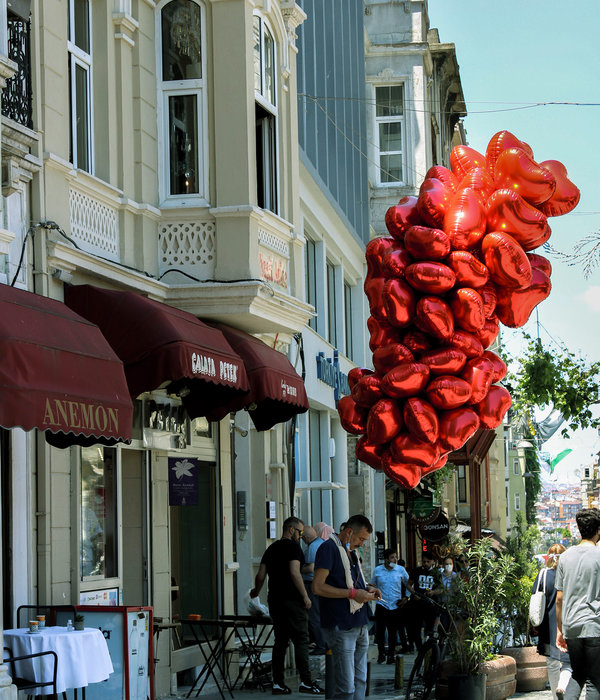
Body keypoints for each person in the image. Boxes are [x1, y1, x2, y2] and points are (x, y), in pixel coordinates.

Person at [250, 516, 325, 695]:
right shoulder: (293, 548)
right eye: (299, 532)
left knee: (280, 641)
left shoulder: (271, 548)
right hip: (292, 600)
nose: (300, 536)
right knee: (301, 640)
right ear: (291, 530)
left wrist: (255, 591)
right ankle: (306, 682)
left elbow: (261, 575)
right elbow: (294, 572)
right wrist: (305, 596)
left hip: (275, 600)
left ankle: (278, 683)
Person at [312, 514, 382, 700]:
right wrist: (353, 594)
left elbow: (353, 583)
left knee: (360, 681)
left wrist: (368, 589)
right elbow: (318, 586)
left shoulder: (352, 552)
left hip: (360, 622)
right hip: (341, 624)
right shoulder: (328, 548)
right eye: (360, 539)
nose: (362, 544)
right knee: (346, 687)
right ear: (349, 532)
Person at [555, 507, 600, 699]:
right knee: (594, 679)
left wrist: (560, 630)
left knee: (577, 674)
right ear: (598, 529)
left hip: (571, 625)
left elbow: (559, 598)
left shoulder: (565, 557)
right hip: (594, 624)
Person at [533, 544, 572, 700]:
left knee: (551, 663)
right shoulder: (568, 575)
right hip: (566, 623)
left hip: (547, 626)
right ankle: (563, 687)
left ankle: (556, 696)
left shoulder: (542, 574)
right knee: (568, 663)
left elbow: (534, 598)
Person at [369, 548, 410, 663]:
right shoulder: (378, 570)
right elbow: (373, 583)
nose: (395, 559)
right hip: (381, 604)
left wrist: (406, 597)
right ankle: (381, 654)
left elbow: (409, 584)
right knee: (380, 631)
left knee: (392, 632)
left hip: (395, 604)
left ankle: (391, 655)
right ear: (386, 559)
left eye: (395, 557)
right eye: (392, 557)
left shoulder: (400, 570)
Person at [406, 553, 443, 651]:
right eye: (424, 561)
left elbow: (441, 588)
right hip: (417, 605)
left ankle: (429, 648)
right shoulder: (416, 571)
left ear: (433, 562)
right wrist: (414, 593)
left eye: (428, 562)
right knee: (416, 628)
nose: (426, 563)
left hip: (431, 605)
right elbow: (409, 585)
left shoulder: (437, 573)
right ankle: (419, 648)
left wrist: (433, 592)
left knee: (430, 629)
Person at [301, 526, 327, 655]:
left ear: (306, 538)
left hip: (311, 584)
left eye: (303, 538)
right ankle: (324, 643)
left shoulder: (312, 547)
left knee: (314, 616)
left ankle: (321, 645)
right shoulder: (322, 543)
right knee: (320, 615)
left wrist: (296, 570)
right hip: (321, 584)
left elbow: (310, 568)